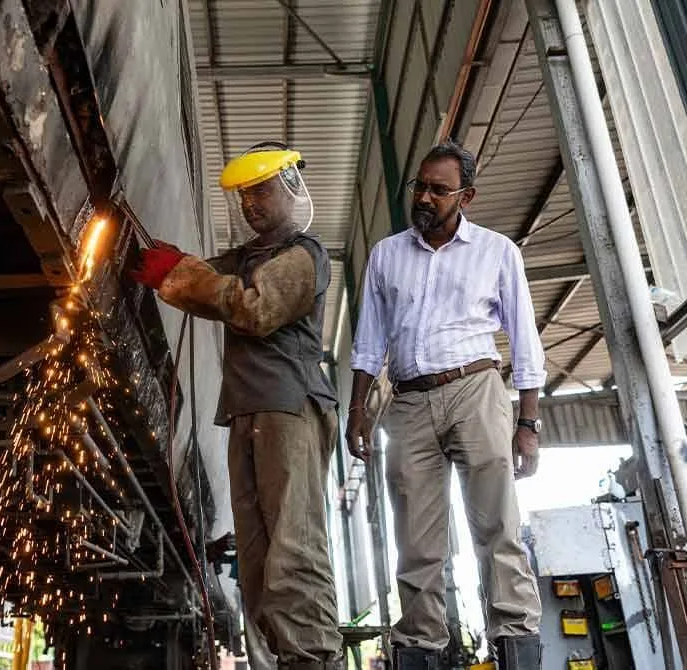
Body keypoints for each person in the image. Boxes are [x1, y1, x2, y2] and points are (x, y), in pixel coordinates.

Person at [129, 142, 344, 670]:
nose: (251, 204)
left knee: (293, 548)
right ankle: (281, 658)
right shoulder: (244, 260)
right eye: (245, 195)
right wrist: (169, 263)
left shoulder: (305, 255)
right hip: (247, 412)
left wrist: (179, 274)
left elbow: (253, 308)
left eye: (261, 191)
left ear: (290, 187)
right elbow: (205, 280)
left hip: (289, 408)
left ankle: (315, 658)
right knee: (255, 558)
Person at [346, 141, 544, 670]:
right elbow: (368, 343)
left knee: (496, 527)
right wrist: (357, 410)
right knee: (416, 542)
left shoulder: (497, 251)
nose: (425, 197)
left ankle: (516, 640)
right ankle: (421, 648)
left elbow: (525, 341)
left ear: (466, 196)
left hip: (475, 390)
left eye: (439, 189)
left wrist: (528, 423)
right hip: (408, 403)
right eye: (420, 186)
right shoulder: (386, 255)